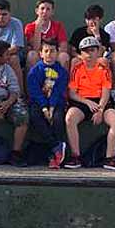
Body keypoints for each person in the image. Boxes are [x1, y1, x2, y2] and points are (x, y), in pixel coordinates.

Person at [63, 36, 115, 171]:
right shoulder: (77, 68)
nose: (89, 54)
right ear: (81, 54)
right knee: (70, 117)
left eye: (92, 50)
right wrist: (86, 102)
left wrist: (100, 110)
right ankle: (76, 156)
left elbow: (106, 92)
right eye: (85, 51)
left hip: (101, 102)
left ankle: (109, 158)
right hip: (82, 101)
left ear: (98, 52)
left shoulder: (103, 69)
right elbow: (72, 93)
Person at [26, 39, 70, 169]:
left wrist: (51, 107)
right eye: (46, 51)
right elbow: (35, 91)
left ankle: (56, 156)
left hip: (56, 103)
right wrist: (45, 108)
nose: (49, 54)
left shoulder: (61, 71)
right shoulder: (35, 71)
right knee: (35, 116)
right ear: (41, 53)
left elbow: (58, 91)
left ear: (57, 53)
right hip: (38, 103)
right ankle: (56, 146)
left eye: (52, 51)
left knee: (57, 119)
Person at [24, 0, 70, 71]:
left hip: (54, 54)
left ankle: (62, 81)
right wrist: (38, 27)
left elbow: (64, 47)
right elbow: (36, 48)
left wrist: (51, 55)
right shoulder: (29, 27)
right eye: (42, 8)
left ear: (52, 12)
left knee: (64, 56)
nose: (45, 11)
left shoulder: (58, 26)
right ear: (36, 11)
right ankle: (32, 82)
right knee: (32, 55)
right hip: (39, 55)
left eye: (48, 9)